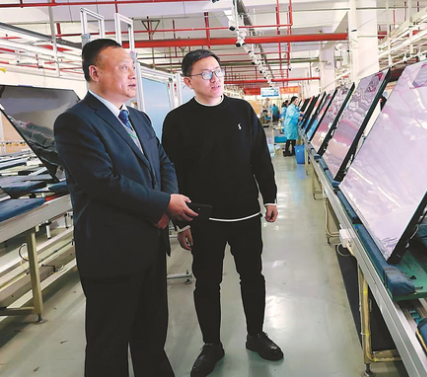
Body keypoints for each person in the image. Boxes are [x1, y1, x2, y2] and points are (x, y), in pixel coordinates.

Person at [53, 38, 197, 377]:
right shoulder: (75, 122)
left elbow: (163, 162)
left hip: (150, 244)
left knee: (151, 334)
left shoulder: (138, 118)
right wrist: (164, 203)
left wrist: (167, 204)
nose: (133, 75)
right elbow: (102, 182)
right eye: (123, 68)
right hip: (111, 252)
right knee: (109, 343)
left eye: (133, 68)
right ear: (95, 73)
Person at [162, 49, 282, 377]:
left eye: (217, 71)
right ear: (188, 82)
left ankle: (256, 335)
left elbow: (260, 158)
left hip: (245, 213)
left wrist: (270, 198)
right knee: (207, 282)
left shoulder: (242, 110)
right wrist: (180, 223)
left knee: (252, 276)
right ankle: (211, 345)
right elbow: (173, 173)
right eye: (205, 74)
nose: (214, 78)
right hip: (203, 217)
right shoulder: (178, 121)